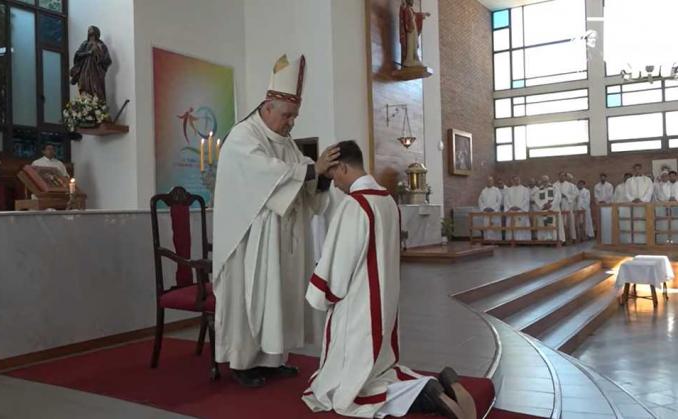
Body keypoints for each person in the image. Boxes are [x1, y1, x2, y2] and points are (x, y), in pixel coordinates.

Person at [302, 141, 475, 419]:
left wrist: (321, 293)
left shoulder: (354, 205)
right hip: (383, 306)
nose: (334, 185)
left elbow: (339, 264)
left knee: (340, 390)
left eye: (333, 176)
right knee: (376, 368)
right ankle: (443, 382)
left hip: (357, 308)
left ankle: (425, 391)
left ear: (343, 168)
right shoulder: (387, 200)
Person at [212, 54, 339, 388]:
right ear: (267, 107)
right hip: (249, 240)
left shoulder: (284, 142)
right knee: (250, 297)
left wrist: (322, 177)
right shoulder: (243, 137)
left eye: (294, 116)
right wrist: (314, 169)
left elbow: (305, 181)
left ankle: (272, 358)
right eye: (287, 115)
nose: (291, 122)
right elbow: (266, 175)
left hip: (281, 238)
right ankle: (241, 362)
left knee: (278, 296)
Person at [70, 25, 112, 101]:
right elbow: (77, 55)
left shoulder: (101, 45)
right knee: (84, 86)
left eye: (91, 30)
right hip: (84, 70)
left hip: (96, 71)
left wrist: (98, 56)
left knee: (96, 87)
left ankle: (97, 104)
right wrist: (88, 53)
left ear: (96, 32)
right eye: (89, 30)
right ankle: (85, 103)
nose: (89, 31)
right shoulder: (85, 44)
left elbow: (107, 60)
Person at [399, 0, 429, 68]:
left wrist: (423, 14)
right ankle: (409, 59)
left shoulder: (410, 10)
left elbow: (416, 15)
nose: (413, 2)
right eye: (412, 0)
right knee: (411, 44)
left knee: (415, 43)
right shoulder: (406, 9)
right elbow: (405, 19)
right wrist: (409, 26)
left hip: (413, 29)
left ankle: (415, 57)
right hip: (410, 30)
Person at [533, 175, 564, 242]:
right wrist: (542, 205)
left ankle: (555, 239)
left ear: (549, 180)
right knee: (544, 224)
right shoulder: (539, 189)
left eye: (546, 181)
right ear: (541, 181)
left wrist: (551, 205)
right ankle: (544, 239)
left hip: (552, 209)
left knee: (552, 223)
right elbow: (536, 199)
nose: (545, 182)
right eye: (543, 181)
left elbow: (557, 197)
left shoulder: (554, 188)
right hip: (543, 210)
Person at [505, 175, 531, 241]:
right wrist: (511, 207)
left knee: (521, 227)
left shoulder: (525, 189)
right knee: (511, 226)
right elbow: (506, 200)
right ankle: (511, 240)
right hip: (511, 211)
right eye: (515, 180)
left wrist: (519, 207)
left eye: (517, 180)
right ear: (513, 181)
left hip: (521, 211)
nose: (516, 181)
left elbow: (526, 200)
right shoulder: (508, 189)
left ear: (520, 180)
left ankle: (523, 240)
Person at [554, 172, 578, 242]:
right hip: (557, 205)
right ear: (558, 176)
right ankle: (559, 238)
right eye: (560, 176)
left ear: (565, 177)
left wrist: (567, 196)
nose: (562, 177)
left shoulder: (570, 185)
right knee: (559, 221)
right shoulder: (554, 185)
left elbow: (575, 194)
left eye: (563, 176)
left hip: (567, 204)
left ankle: (571, 237)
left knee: (568, 221)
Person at [477, 176, 503, 241]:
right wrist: (484, 208)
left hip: (494, 213)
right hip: (486, 212)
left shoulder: (496, 190)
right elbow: (480, 201)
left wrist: (493, 208)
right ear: (486, 182)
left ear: (493, 182)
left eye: (491, 180)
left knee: (494, 226)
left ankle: (497, 240)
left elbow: (499, 200)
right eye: (488, 181)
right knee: (487, 227)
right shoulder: (483, 191)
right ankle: (487, 240)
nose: (489, 182)